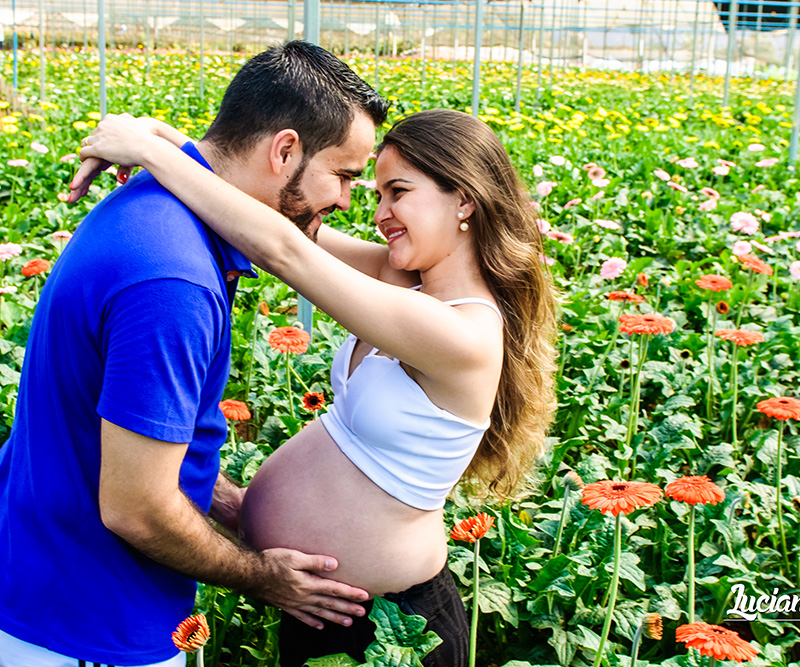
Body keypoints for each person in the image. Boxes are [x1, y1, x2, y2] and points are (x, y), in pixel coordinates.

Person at [72, 107, 559, 666]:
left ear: (464, 200)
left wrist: (153, 154)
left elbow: (283, 248)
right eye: (374, 193)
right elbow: (294, 221)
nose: (379, 213)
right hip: (327, 610)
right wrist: (174, 139)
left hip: (392, 630)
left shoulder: (464, 333)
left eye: (396, 192)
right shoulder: (404, 280)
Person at [0, 41, 388, 667]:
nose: (346, 199)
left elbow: (128, 446)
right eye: (342, 175)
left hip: (50, 580)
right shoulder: (172, 279)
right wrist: (262, 576)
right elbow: (138, 508)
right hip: (87, 625)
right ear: (284, 149)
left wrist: (235, 505)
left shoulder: (163, 201)